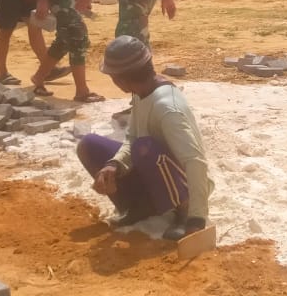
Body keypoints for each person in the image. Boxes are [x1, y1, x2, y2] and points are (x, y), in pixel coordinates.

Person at [76, 36, 213, 241]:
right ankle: (140, 208)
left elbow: (195, 161)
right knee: (89, 145)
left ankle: (182, 209)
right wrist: (115, 165)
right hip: (155, 168)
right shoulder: (141, 93)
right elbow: (132, 137)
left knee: (144, 147)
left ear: (120, 80)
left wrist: (197, 218)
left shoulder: (167, 107)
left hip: (182, 181)